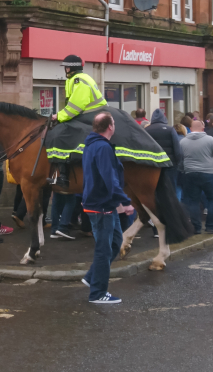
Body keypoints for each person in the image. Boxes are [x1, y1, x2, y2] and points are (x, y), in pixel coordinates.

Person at [81, 112, 133, 304]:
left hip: (99, 203)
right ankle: (98, 293)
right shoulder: (103, 148)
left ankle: (91, 277)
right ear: (110, 127)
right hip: (101, 205)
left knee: (115, 241)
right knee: (104, 250)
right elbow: (109, 179)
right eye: (113, 123)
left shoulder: (92, 145)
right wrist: (125, 202)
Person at [179, 119, 213, 234]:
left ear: (191, 128)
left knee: (193, 201)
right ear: (203, 128)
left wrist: (184, 170)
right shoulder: (210, 140)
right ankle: (210, 226)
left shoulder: (183, 142)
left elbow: (179, 159)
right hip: (209, 173)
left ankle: (196, 227)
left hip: (190, 173)